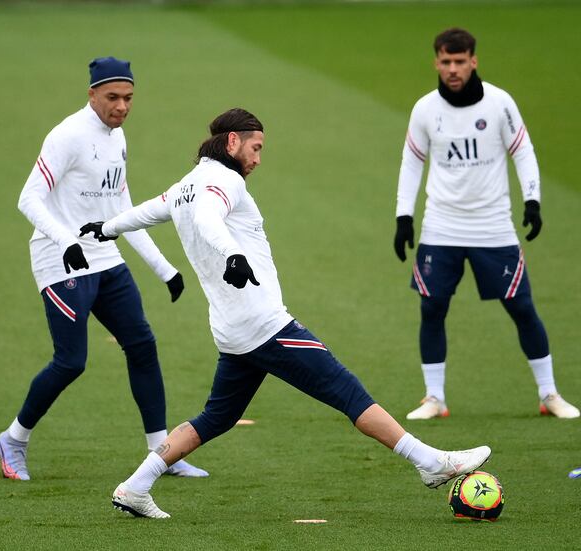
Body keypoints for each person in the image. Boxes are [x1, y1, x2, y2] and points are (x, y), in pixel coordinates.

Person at [80, 108, 491, 519]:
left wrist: (108, 227)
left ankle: (135, 487)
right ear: (232, 142)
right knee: (348, 392)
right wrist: (233, 254)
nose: (258, 159)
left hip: (231, 329)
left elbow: (151, 209)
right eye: (255, 148)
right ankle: (430, 463)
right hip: (264, 325)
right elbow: (207, 218)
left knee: (216, 417)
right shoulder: (224, 180)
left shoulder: (188, 184)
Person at [0, 57, 207, 481]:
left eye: (128, 97)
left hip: (105, 259)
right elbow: (28, 199)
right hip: (61, 262)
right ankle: (13, 440)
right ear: (91, 94)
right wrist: (67, 241)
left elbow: (119, 208)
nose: (122, 106)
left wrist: (164, 268)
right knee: (71, 362)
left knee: (142, 345)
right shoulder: (68, 136)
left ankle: (161, 454)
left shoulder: (118, 137)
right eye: (113, 97)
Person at [393, 28, 579, 420]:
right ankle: (434, 398)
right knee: (432, 308)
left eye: (460, 62)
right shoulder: (425, 109)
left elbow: (523, 151)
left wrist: (533, 199)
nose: (453, 69)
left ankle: (549, 394)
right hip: (441, 225)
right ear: (437, 63)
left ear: (473, 60)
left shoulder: (499, 103)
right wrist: (403, 216)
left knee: (521, 307)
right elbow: (412, 162)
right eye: (446, 62)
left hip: (493, 226)